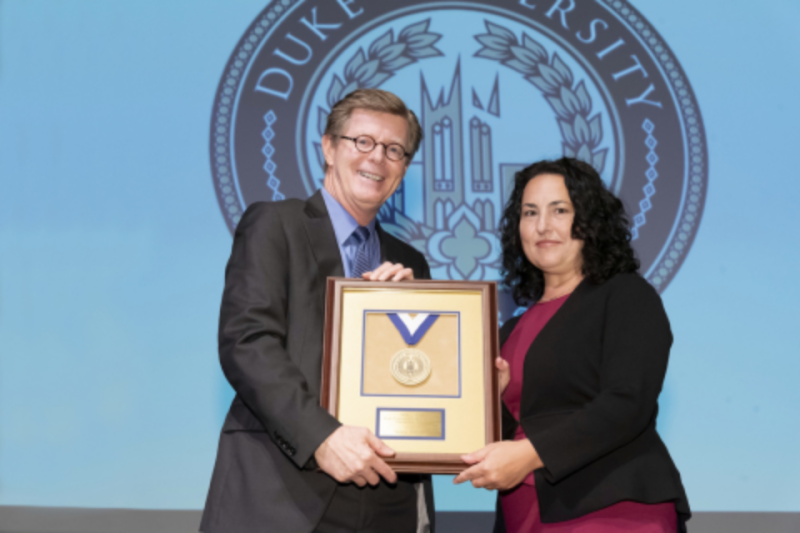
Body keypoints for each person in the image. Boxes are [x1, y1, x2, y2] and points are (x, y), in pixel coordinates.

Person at [200, 89, 435, 533]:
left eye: (394, 150)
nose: (377, 158)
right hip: (283, 489)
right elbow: (248, 342)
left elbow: (417, 376)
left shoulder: (411, 263)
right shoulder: (275, 224)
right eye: (362, 142)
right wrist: (322, 436)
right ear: (328, 148)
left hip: (387, 500)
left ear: (403, 170)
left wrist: (444, 349)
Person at [454, 158, 691, 532]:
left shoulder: (626, 296)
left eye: (560, 210)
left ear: (590, 221)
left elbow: (627, 403)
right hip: (523, 515)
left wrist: (530, 455)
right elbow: (501, 435)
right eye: (530, 213)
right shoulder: (510, 329)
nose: (543, 226)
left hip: (610, 510)